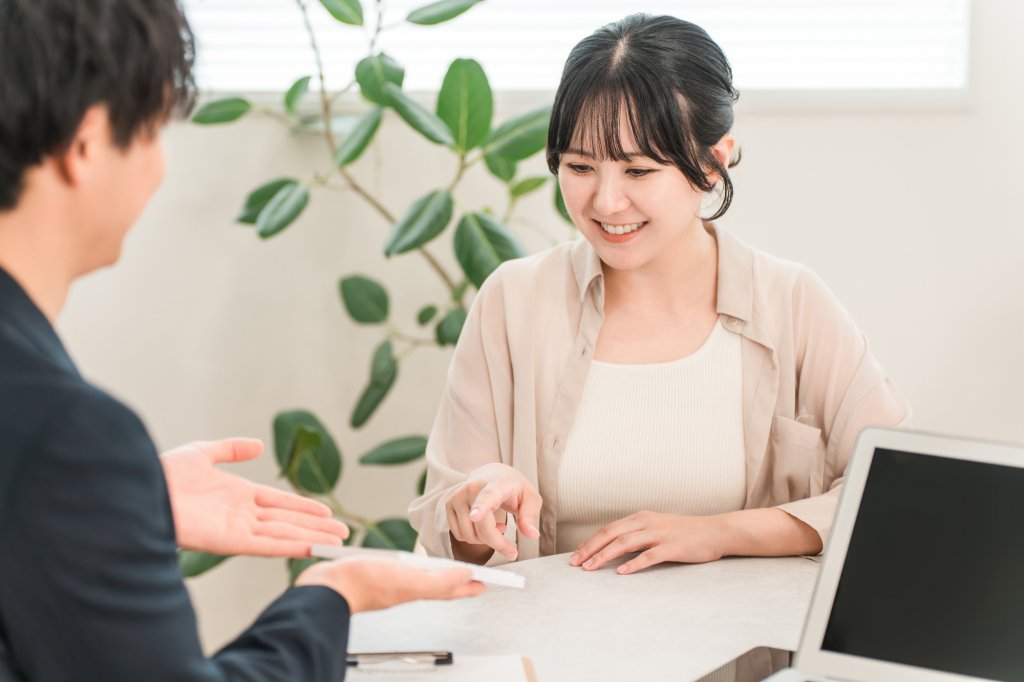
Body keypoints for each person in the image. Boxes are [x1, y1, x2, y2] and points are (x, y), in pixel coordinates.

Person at [0, 0, 483, 680]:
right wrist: (330, 597)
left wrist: (117, 503)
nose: (160, 167)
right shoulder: (68, 435)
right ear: (86, 145)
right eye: (152, 133)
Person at [409, 13, 911, 575]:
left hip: (742, 659)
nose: (605, 202)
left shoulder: (791, 302)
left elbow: (902, 488)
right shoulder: (513, 300)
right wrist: (476, 511)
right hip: (551, 657)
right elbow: (453, 540)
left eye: (639, 171)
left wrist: (723, 533)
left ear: (713, 162)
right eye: (579, 166)